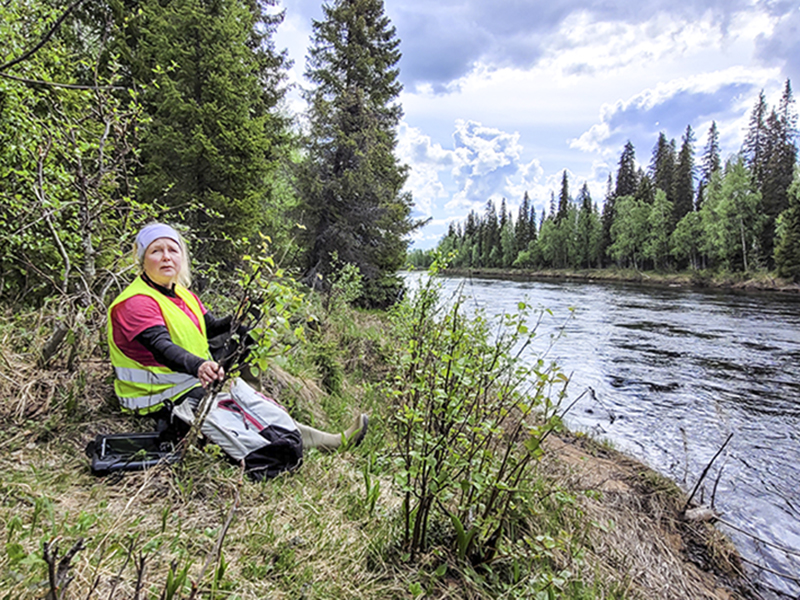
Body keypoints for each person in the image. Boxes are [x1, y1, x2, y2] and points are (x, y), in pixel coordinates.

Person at [107, 222, 367, 453]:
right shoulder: (136, 302)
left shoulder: (181, 293)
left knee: (245, 343)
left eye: (172, 250)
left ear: (181, 257)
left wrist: (242, 319)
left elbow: (209, 327)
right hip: (156, 394)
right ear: (143, 259)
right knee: (241, 410)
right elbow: (161, 347)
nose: (166, 257)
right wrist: (200, 366)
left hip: (186, 380)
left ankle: (323, 437)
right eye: (156, 251)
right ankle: (325, 441)